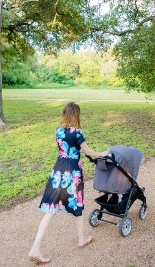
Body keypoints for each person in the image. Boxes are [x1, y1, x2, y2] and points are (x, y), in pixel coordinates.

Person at [28, 102, 109, 265]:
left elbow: (66, 149)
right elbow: (87, 152)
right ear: (76, 115)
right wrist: (103, 153)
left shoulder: (58, 131)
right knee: (76, 204)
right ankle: (80, 239)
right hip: (72, 173)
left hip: (58, 171)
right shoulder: (77, 133)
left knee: (50, 210)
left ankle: (37, 247)